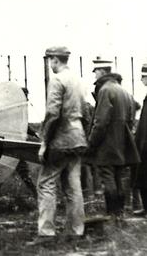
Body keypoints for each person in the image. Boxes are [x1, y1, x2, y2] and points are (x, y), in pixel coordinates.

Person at [33, 46, 88, 241]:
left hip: (61, 139)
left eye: (50, 60)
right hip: (77, 137)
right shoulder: (77, 79)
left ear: (55, 60)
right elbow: (86, 109)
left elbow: (53, 113)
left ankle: (46, 232)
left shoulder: (57, 80)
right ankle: (77, 231)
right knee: (74, 187)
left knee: (46, 183)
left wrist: (44, 142)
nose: (50, 64)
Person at [86, 57, 140, 219]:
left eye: (95, 72)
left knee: (107, 176)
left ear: (102, 71)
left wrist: (92, 143)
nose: (95, 75)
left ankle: (112, 213)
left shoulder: (105, 90)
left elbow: (100, 122)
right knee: (118, 177)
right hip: (122, 143)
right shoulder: (124, 91)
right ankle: (120, 213)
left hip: (107, 144)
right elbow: (131, 119)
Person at [133, 63, 147, 216]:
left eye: (144, 77)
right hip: (144, 142)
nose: (142, 80)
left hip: (146, 143)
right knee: (143, 176)